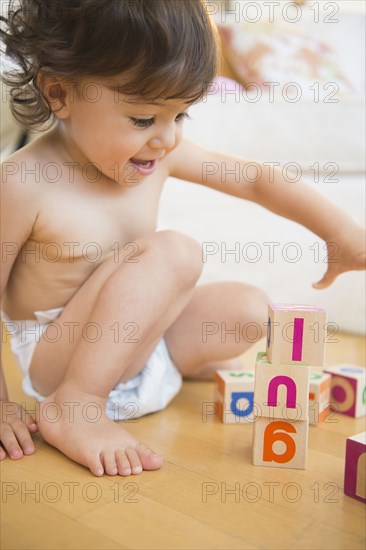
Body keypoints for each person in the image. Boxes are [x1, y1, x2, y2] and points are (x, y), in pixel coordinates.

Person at [0, 0, 364, 477]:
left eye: (182, 115)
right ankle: (77, 407)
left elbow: (253, 179)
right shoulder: (22, 184)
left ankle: (159, 375)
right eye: (144, 119)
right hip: (59, 362)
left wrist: (343, 234)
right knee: (174, 252)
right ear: (58, 93)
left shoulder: (161, 152)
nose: (166, 139)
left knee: (249, 308)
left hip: (137, 349)